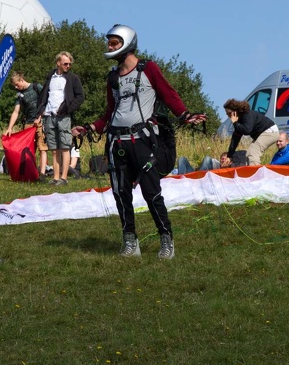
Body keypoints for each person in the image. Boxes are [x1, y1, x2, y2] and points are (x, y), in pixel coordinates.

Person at [72, 24, 206, 259]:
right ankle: (130, 241)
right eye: (109, 43)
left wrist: (185, 115)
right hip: (117, 142)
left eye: (114, 43)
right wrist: (89, 128)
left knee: (151, 192)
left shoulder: (149, 69)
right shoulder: (113, 77)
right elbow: (110, 112)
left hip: (143, 142)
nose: (109, 46)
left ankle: (166, 239)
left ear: (126, 43)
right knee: (120, 194)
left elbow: (168, 93)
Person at [36, 52, 85, 186]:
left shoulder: (73, 78)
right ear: (58, 63)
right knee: (53, 148)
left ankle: (64, 178)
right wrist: (41, 110)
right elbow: (44, 95)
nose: (68, 66)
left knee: (64, 146)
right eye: (65, 63)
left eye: (69, 64)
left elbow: (80, 97)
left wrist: (67, 109)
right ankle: (56, 177)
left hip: (63, 117)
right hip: (49, 116)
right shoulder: (50, 77)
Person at [4, 72, 48, 178]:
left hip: (41, 122)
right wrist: (9, 128)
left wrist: (40, 117)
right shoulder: (19, 95)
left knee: (42, 148)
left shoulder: (36, 87)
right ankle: (31, 172)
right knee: (29, 149)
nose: (16, 87)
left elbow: (46, 102)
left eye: (16, 84)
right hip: (28, 124)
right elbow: (16, 111)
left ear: (21, 80)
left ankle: (42, 173)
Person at [222, 99, 279, 167]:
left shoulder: (246, 115)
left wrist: (235, 123)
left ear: (234, 111)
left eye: (229, 113)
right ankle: (249, 173)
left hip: (270, 131)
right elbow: (235, 139)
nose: (228, 116)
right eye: (226, 114)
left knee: (253, 152)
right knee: (248, 154)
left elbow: (247, 130)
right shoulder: (239, 121)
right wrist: (229, 156)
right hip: (262, 134)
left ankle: (256, 174)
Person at [177, 150, 247, 174]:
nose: (223, 161)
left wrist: (231, 160)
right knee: (182, 159)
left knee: (207, 158)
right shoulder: (216, 164)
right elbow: (207, 162)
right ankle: (180, 181)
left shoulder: (232, 168)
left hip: (201, 179)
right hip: (196, 175)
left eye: (225, 159)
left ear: (230, 161)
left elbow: (244, 153)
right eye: (222, 159)